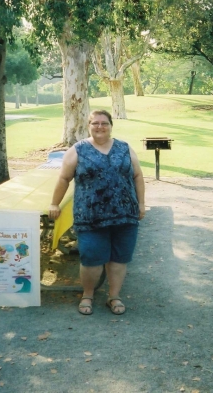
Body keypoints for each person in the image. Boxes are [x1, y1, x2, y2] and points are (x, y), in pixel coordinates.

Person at [49, 110, 145, 315]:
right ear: (89, 126)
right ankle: (87, 295)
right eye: (95, 123)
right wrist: (55, 204)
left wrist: (141, 204)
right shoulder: (78, 150)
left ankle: (114, 296)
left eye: (104, 123)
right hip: (90, 216)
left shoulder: (125, 148)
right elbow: (64, 179)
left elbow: (137, 176)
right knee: (91, 257)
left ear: (111, 126)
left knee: (119, 258)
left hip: (125, 215)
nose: (100, 127)